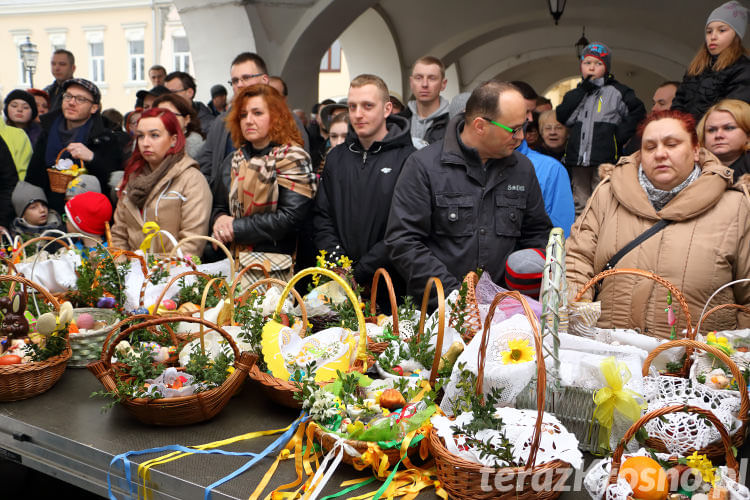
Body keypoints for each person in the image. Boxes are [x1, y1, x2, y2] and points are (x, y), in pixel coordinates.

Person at [566, 109, 750, 338]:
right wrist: (577, 311)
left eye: (672, 144)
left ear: (695, 151)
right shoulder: (607, 194)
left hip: (696, 362)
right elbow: (577, 257)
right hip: (609, 356)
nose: (660, 154)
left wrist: (732, 353)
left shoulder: (737, 206)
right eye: (650, 147)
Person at [385, 81, 552, 299]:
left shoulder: (522, 169)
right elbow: (403, 241)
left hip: (505, 314)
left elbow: (537, 235)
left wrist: (520, 292)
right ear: (480, 126)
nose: (520, 137)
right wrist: (454, 297)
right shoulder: (424, 166)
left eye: (523, 127)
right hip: (438, 315)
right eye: (513, 130)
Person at [314, 74, 414, 297]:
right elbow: (322, 216)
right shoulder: (336, 158)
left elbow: (404, 227)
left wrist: (361, 271)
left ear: (387, 109)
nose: (358, 114)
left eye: (367, 106)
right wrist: (339, 264)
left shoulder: (409, 160)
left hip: (390, 284)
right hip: (339, 282)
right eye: (352, 106)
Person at [210, 84, 316, 275]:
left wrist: (235, 227)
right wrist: (219, 220)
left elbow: (290, 218)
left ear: (276, 117)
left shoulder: (293, 159)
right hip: (234, 263)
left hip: (282, 266)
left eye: (257, 113)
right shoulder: (233, 160)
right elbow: (218, 206)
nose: (248, 121)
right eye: (243, 115)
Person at [557, 42, 646, 215]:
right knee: (579, 200)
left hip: (605, 158)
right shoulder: (575, 94)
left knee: (603, 199)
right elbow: (563, 116)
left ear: (606, 68)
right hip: (578, 159)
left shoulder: (618, 91)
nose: (592, 67)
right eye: (587, 63)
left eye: (598, 64)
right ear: (581, 66)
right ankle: (581, 236)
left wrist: (618, 136)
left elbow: (638, 112)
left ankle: (601, 236)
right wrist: (582, 90)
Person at [110, 108, 211, 257]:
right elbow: (119, 235)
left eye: (154, 135)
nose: (145, 143)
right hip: (131, 274)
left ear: (173, 140)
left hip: (173, 274)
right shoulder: (132, 178)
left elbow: (192, 243)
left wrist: (154, 272)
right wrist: (124, 270)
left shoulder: (191, 179)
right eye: (140, 136)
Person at [26, 78, 123, 215]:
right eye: (68, 96)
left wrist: (92, 158)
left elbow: (114, 179)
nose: (72, 102)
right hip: (50, 213)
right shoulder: (47, 131)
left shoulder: (105, 137)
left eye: (81, 99)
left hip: (89, 215)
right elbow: (33, 176)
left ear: (94, 108)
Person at [197, 52, 269, 189]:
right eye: (235, 81)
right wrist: (218, 202)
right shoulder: (222, 121)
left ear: (264, 80)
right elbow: (203, 165)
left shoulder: (285, 119)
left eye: (246, 78)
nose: (240, 85)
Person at [672, 1, 749, 121]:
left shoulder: (743, 69)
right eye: (709, 31)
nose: (713, 36)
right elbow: (678, 102)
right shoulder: (696, 67)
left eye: (722, 30)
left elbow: (732, 111)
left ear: (736, 36)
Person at [698, 98, 750, 180]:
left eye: (729, 128)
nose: (718, 135)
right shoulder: (692, 168)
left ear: (748, 135)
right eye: (711, 130)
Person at [403, 56, 450, 148]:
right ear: (411, 83)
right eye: (419, 78)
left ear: (443, 84)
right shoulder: (398, 122)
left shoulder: (454, 124)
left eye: (432, 78)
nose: (424, 84)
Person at [152, 93, 206, 159]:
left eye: (172, 115)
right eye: (161, 115)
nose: (166, 120)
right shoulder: (147, 139)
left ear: (186, 119)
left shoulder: (193, 143)